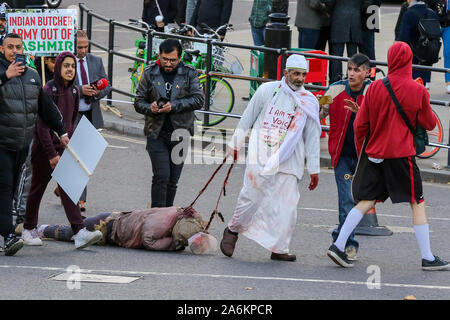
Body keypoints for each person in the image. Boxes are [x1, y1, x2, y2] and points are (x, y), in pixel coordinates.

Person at [327, 41, 449, 271]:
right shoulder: (417, 90)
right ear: (409, 60)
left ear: (390, 60)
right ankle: (428, 257)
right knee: (417, 201)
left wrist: (364, 148)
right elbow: (429, 122)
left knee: (366, 201)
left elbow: (361, 124)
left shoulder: (374, 88)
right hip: (401, 155)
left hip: (375, 154)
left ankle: (338, 244)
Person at [220, 54, 321, 262]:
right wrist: (235, 144)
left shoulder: (309, 102)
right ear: (286, 73)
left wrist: (314, 169)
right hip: (261, 153)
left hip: (290, 159)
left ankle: (279, 248)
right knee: (251, 198)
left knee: (287, 206)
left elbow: (312, 137)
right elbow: (248, 116)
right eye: (296, 74)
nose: (300, 79)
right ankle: (232, 230)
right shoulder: (267, 90)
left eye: (303, 74)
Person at [21, 51, 103, 249]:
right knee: (37, 189)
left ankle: (79, 231)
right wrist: (51, 154)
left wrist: (71, 145)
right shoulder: (49, 90)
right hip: (45, 149)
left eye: (73, 66)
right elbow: (42, 126)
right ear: (58, 67)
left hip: (63, 148)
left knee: (69, 189)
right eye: (66, 66)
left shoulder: (74, 91)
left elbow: (70, 123)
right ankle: (28, 229)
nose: (70, 70)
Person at [0, 33, 69, 256]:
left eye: (18, 47)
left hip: (21, 143)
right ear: (2, 50)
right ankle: (9, 236)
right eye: (9, 47)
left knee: (9, 191)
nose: (14, 51)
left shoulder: (31, 75)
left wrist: (61, 131)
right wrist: (5, 76)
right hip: (1, 142)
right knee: (4, 188)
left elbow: (45, 107)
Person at [134, 39, 204, 208]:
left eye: (172, 60)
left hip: (181, 133)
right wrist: (150, 108)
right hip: (156, 133)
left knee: (173, 181)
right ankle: (155, 217)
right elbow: (138, 101)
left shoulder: (189, 73)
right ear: (159, 55)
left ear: (180, 58)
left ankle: (166, 216)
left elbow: (199, 99)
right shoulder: (150, 72)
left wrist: (173, 106)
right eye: (164, 59)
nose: (168, 63)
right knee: (161, 177)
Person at [320, 53, 371, 261]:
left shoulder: (373, 92)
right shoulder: (335, 89)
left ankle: (339, 238)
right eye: (349, 69)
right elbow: (318, 110)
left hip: (365, 158)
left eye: (356, 70)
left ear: (367, 73)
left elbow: (380, 122)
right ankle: (347, 244)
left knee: (356, 202)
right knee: (346, 200)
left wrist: (361, 114)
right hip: (341, 155)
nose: (351, 73)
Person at [37, 206, 217, 254]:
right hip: (108, 226)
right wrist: (173, 244)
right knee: (71, 233)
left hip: (115, 222)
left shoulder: (180, 217)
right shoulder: (159, 225)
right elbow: (149, 242)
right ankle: (42, 230)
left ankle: (35, 228)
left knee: (78, 224)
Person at [74, 30, 111, 211]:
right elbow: (60, 87)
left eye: (85, 46)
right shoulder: (66, 61)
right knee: (76, 159)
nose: (82, 50)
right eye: (79, 47)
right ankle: (80, 199)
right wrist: (80, 90)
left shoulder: (96, 61)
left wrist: (97, 92)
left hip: (90, 115)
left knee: (85, 160)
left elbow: (107, 84)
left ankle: (65, 187)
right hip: (73, 116)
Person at [323, 0, 371, 83]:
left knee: (336, 56)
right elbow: (367, 3)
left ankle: (335, 80)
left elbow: (329, 2)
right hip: (355, 19)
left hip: (338, 19)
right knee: (353, 56)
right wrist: (358, 9)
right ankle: (352, 79)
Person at [399, 0, 440, 89]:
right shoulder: (432, 13)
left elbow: (403, 38)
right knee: (422, 84)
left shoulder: (409, 14)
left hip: (413, 55)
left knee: (413, 84)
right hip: (429, 53)